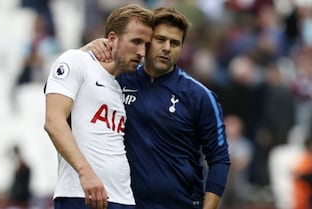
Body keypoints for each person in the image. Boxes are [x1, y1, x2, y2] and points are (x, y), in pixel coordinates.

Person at [83, 6, 230, 209]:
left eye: (175, 43)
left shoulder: (199, 96)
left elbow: (219, 159)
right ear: (147, 42)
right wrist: (87, 51)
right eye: (160, 39)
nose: (167, 47)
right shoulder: (117, 80)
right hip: (125, 203)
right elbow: (61, 87)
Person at [43, 4, 153, 209]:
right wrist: (86, 173)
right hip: (82, 193)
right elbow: (53, 121)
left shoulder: (120, 86)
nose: (141, 52)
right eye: (136, 41)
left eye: (146, 45)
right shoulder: (76, 61)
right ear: (112, 39)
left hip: (123, 198)